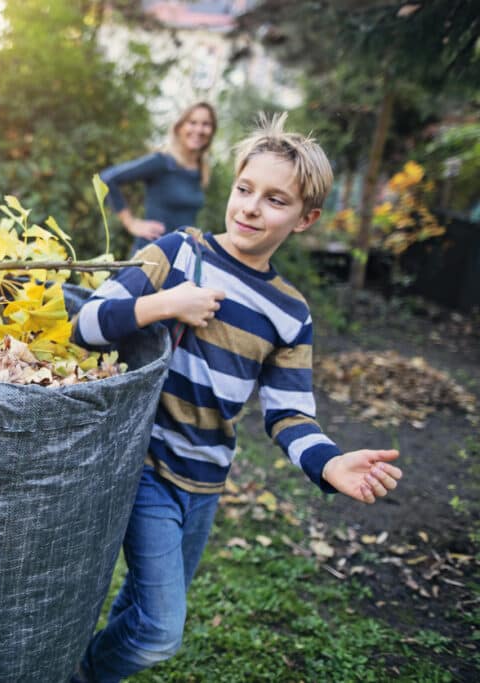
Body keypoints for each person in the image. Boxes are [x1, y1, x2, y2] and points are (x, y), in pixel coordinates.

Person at [71, 113, 402, 683]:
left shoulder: (291, 313)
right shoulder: (179, 254)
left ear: (306, 219)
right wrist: (166, 304)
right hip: (146, 468)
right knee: (158, 630)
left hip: (205, 485)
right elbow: (84, 323)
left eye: (276, 200)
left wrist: (329, 463)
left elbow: (288, 413)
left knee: (138, 606)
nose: (250, 207)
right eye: (244, 189)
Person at [100, 102, 217, 254]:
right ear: (179, 127)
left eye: (206, 124)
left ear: (212, 130)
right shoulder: (162, 161)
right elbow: (108, 178)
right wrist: (131, 224)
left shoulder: (200, 169)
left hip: (181, 258)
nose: (199, 130)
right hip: (151, 257)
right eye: (192, 122)